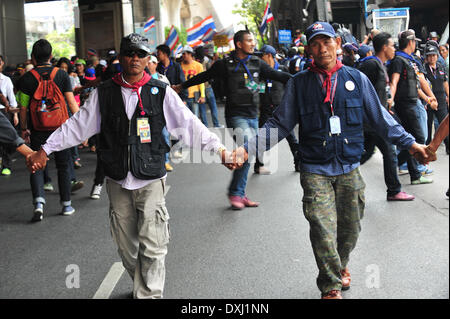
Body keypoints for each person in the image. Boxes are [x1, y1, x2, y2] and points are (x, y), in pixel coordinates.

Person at [231, 22, 432, 299]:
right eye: (315, 43)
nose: (322, 48)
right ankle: (330, 284)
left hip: (349, 165)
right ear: (309, 48)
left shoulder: (356, 79)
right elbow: (279, 124)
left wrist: (411, 144)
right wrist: (246, 150)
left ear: (337, 43)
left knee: (350, 227)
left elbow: (381, 119)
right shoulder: (299, 84)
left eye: (327, 42)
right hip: (315, 167)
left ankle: (341, 264)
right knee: (322, 226)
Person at [27, 33, 233, 299]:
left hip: (150, 178)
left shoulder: (161, 92)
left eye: (140, 54)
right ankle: (143, 285)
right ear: (121, 58)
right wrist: (44, 149)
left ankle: (149, 294)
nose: (134, 58)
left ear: (148, 58)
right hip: (117, 178)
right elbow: (76, 127)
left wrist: (220, 150)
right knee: (127, 249)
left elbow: (189, 126)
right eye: (129, 53)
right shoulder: (103, 93)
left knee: (154, 244)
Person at [173, 30, 292, 210]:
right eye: (250, 41)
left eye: (253, 41)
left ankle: (240, 193)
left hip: (254, 115)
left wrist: (302, 80)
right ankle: (235, 192)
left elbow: (278, 76)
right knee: (246, 149)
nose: (253, 44)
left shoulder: (257, 63)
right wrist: (181, 86)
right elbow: (205, 76)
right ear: (239, 44)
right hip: (236, 116)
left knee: (248, 153)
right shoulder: (224, 64)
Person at [16, 39, 80, 222]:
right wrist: (80, 128)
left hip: (38, 129)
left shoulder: (26, 78)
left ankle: (38, 204)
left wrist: (23, 129)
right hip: (61, 129)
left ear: (33, 58)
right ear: (51, 56)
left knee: (36, 164)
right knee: (63, 166)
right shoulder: (61, 75)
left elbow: (22, 108)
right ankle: (66, 204)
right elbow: (71, 104)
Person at [358, 32, 415, 201]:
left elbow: (377, 93)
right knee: (389, 152)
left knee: (365, 154)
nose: (394, 49)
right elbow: (359, 90)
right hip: (372, 121)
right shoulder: (371, 64)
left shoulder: (381, 65)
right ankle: (394, 190)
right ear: (384, 47)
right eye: (392, 46)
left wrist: (385, 105)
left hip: (377, 119)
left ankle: (339, 172)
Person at [388, 29, 436, 185]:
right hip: (404, 105)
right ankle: (395, 162)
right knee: (418, 137)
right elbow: (394, 82)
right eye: (414, 41)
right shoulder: (399, 60)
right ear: (410, 42)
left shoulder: (409, 60)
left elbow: (416, 84)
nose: (415, 44)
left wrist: (429, 98)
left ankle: (415, 174)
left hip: (411, 103)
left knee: (412, 138)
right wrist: (390, 100)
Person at [254, 44, 299, 174]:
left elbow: (291, 87)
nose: (259, 60)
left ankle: (298, 162)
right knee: (261, 137)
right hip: (265, 110)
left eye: (261, 56)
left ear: (269, 56)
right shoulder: (260, 72)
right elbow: (253, 88)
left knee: (292, 138)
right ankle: (258, 164)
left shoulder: (282, 69)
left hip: (281, 110)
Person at [423, 45, 449, 154]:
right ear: (426, 57)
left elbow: (445, 83)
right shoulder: (423, 69)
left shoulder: (441, 67)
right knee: (427, 126)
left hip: (441, 101)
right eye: (429, 56)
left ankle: (448, 147)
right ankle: (426, 149)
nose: (432, 58)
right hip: (429, 102)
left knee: (445, 125)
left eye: (433, 55)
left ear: (437, 56)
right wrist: (425, 101)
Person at [0, 54, 19, 176]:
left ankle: (6, 165)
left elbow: (11, 99)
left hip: (3, 112)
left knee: (6, 140)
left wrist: (15, 115)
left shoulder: (6, 80)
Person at [180, 45, 205, 118]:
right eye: (183, 54)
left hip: (194, 96)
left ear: (190, 54)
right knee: (185, 118)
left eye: (185, 54)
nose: (183, 56)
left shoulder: (198, 66)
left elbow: (201, 81)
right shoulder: (179, 66)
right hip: (183, 97)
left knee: (194, 118)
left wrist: (202, 95)